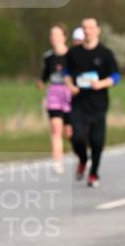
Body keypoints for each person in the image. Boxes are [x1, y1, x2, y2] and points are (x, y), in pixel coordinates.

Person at [64, 17, 120, 188]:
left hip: (98, 105)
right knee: (77, 137)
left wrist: (101, 84)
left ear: (97, 30)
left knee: (97, 142)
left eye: (90, 27)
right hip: (79, 104)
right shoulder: (74, 53)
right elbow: (66, 73)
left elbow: (116, 77)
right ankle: (82, 159)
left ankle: (94, 172)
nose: (87, 31)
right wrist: (71, 85)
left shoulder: (105, 53)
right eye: (84, 28)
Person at [39, 24, 72, 174]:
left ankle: (81, 155)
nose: (54, 38)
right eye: (52, 35)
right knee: (55, 128)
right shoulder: (48, 57)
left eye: (57, 35)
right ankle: (57, 161)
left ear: (64, 37)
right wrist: (41, 81)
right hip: (54, 93)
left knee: (70, 131)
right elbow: (45, 74)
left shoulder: (72, 55)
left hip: (70, 94)